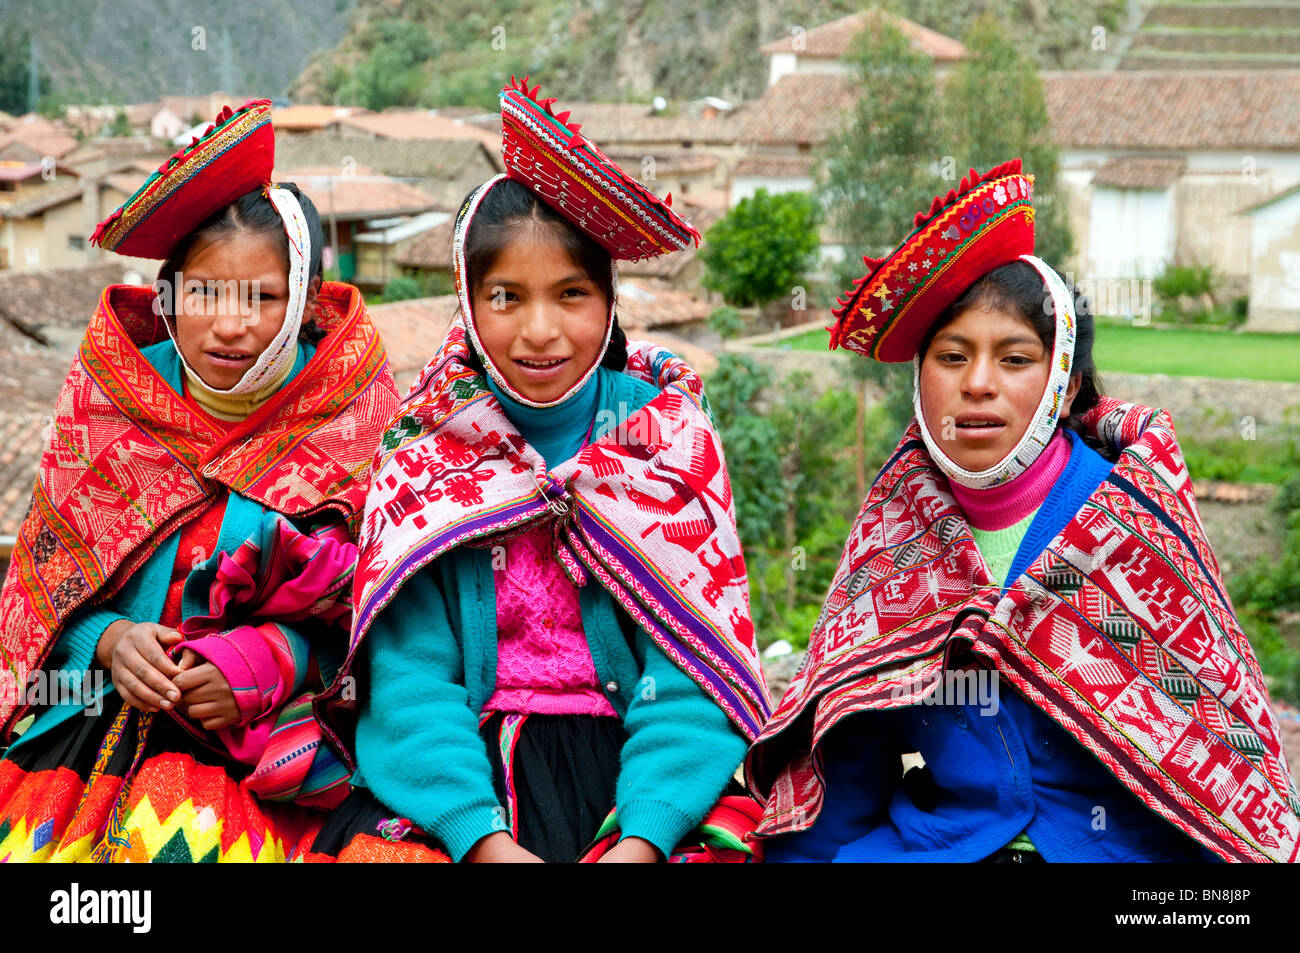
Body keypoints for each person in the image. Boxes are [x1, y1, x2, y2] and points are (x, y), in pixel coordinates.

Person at [746, 159, 1300, 863]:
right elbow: (850, 745)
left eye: (1013, 359)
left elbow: (1215, 754)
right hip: (939, 846)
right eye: (951, 356)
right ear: (920, 384)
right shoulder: (897, 529)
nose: (978, 384)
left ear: (1064, 388)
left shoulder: (1129, 518)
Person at [307, 77, 770, 863]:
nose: (541, 329)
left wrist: (645, 835)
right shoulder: (424, 453)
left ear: (611, 300)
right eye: (507, 296)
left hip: (644, 778)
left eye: (571, 294)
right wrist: (478, 837)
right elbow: (412, 683)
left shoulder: (668, 440)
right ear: (468, 300)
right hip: (461, 786)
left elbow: (695, 673)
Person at [0, 99, 400, 862]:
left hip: (287, 757)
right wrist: (109, 640)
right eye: (205, 292)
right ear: (168, 293)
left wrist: (272, 658)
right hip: (91, 737)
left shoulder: (360, 422)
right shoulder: (108, 408)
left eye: (264, 298)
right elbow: (38, 592)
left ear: (307, 305)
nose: (229, 324)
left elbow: (400, 621)